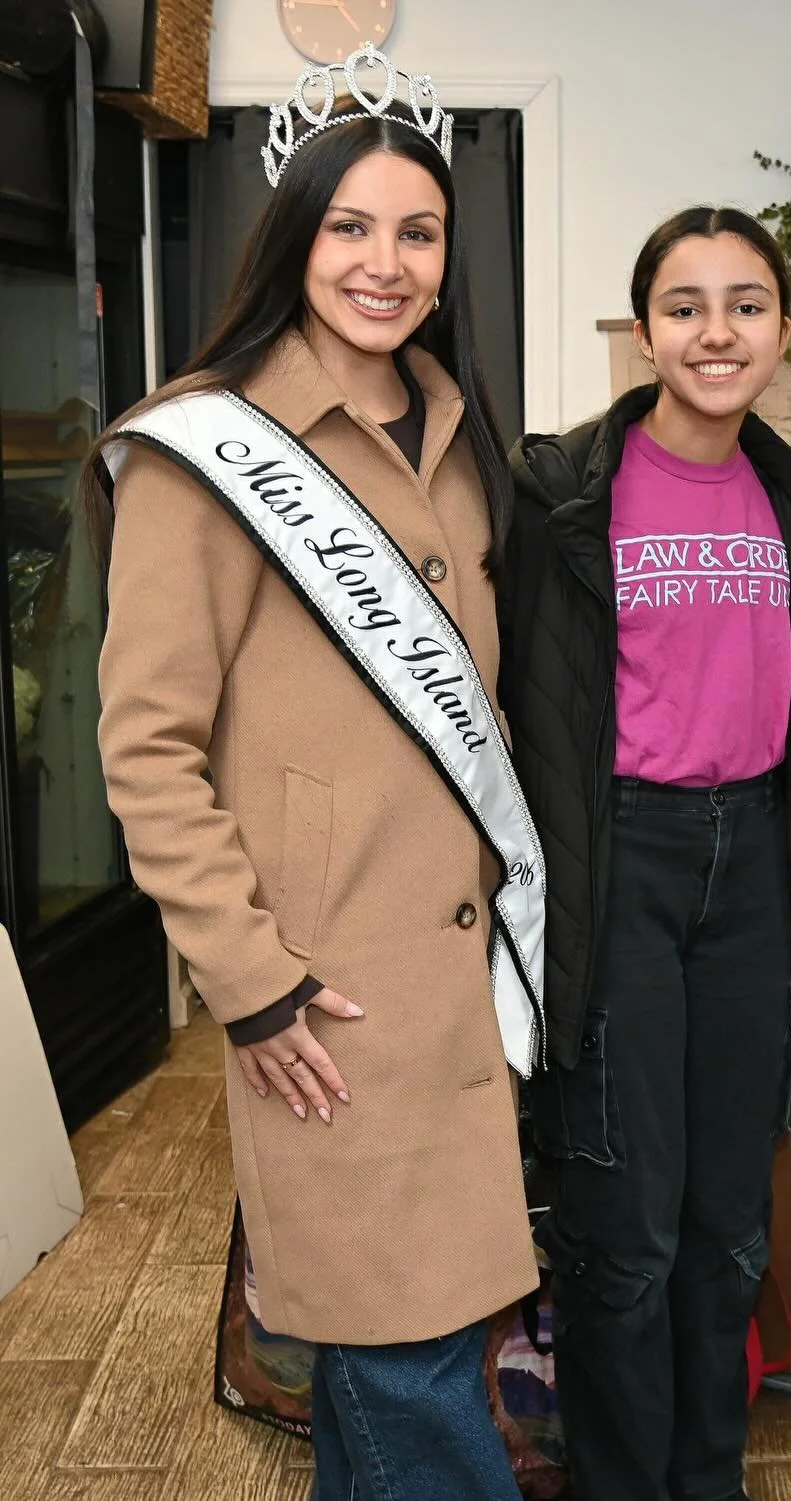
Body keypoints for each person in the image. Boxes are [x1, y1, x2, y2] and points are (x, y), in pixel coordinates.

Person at [90, 46, 541, 1501]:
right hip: (326, 996)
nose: (384, 264)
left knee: (381, 1369)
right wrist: (252, 979)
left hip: (460, 983)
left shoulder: (464, 435)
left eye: (418, 232)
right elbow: (147, 747)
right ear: (294, 235)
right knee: (413, 1368)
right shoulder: (206, 449)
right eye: (350, 227)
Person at [498, 205, 791, 1501]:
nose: (716, 332)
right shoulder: (567, 495)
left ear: (783, 329)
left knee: (728, 1226)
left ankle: (708, 1479)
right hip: (619, 864)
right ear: (643, 332)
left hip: (753, 867)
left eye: (747, 304)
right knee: (626, 1229)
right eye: (685, 307)